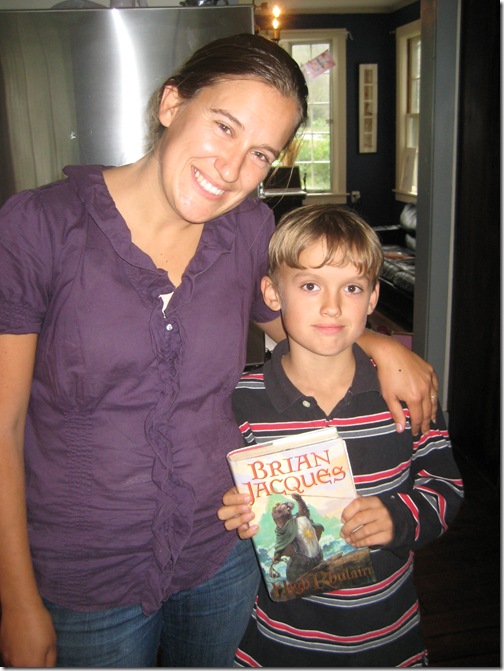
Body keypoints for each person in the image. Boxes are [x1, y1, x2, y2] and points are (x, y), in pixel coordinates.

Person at [0, 34, 438, 668]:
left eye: (260, 153)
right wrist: (16, 598)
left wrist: (378, 343)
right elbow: (5, 425)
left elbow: (299, 324)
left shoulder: (248, 230)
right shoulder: (39, 226)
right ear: (172, 104)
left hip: (223, 552)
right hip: (85, 577)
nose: (232, 170)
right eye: (224, 126)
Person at [218, 204, 463, 667]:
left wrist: (399, 517)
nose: (332, 306)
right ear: (272, 293)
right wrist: (235, 509)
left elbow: (445, 486)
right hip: (277, 644)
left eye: (351, 288)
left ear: (372, 298)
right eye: (310, 285)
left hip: (388, 637)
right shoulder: (241, 402)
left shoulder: (403, 395)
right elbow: (225, 501)